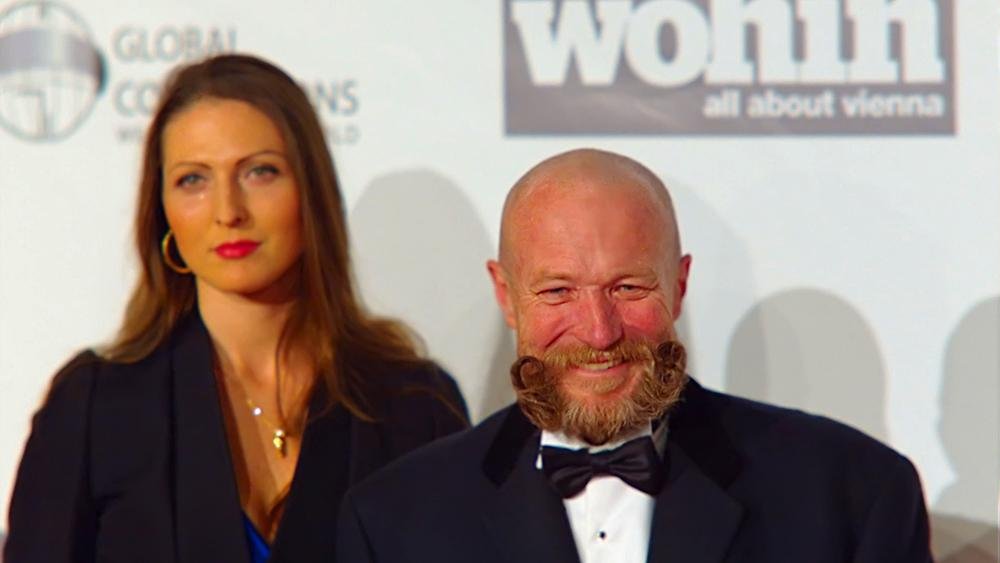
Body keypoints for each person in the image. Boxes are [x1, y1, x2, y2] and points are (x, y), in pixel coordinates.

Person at [336, 148, 932, 562]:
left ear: (679, 284)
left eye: (628, 287)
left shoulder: (850, 496)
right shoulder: (396, 522)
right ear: (506, 295)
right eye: (558, 291)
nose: (599, 333)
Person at [4, 54, 467, 563]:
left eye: (259, 172)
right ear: (162, 212)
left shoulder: (415, 405)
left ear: (311, 190)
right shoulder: (92, 407)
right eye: (193, 180)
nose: (228, 211)